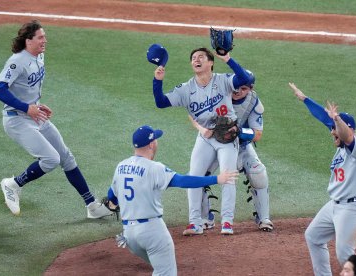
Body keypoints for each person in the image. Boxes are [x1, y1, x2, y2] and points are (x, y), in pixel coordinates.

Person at [0, 20, 112, 219]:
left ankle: (92, 206)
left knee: (66, 157)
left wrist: (37, 105)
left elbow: (27, 89)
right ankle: (13, 184)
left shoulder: (39, 56)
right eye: (40, 37)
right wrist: (26, 107)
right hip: (17, 120)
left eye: (44, 36)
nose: (44, 41)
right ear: (28, 40)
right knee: (51, 159)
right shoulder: (17, 61)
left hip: (35, 115)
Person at [106, 125, 238, 275]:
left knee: (161, 268)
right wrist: (217, 178)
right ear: (151, 144)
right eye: (155, 139)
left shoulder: (120, 166)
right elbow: (182, 181)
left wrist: (116, 202)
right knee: (166, 272)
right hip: (152, 232)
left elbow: (111, 195)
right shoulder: (154, 168)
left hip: (129, 236)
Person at [152, 47, 250, 235]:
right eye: (193, 58)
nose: (196, 60)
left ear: (210, 62)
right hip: (205, 137)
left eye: (201, 57)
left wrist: (228, 59)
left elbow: (244, 79)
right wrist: (158, 80)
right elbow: (161, 102)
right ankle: (195, 222)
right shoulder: (186, 89)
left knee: (228, 176)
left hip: (227, 136)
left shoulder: (222, 80)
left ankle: (227, 222)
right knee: (194, 176)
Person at [288, 83, 356, 276]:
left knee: (345, 256)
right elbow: (324, 119)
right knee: (314, 236)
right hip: (335, 205)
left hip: (352, 207)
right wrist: (305, 99)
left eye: (334, 128)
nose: (331, 132)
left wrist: (337, 121)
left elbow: (345, 133)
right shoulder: (342, 142)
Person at [192, 70, 273, 232]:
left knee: (259, 174)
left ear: (250, 88)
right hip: (212, 143)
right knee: (197, 177)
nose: (238, 91)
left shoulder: (253, 102)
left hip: (239, 144)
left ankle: (263, 218)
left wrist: (238, 132)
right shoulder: (217, 94)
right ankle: (205, 218)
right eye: (236, 87)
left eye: (244, 89)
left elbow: (257, 134)